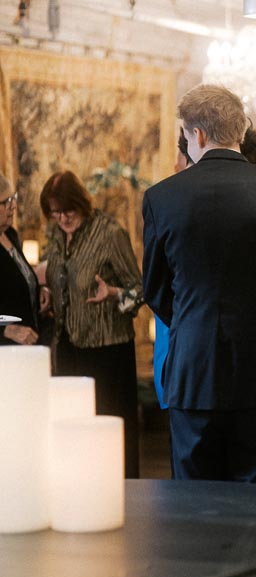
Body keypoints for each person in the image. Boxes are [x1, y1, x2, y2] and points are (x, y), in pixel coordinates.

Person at [142, 84, 256, 577]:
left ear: (192, 134)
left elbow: (155, 289)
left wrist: (197, 328)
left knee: (195, 524)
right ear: (240, 128)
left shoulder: (163, 197)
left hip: (193, 379)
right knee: (255, 524)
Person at [40, 169, 143, 475]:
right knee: (75, 435)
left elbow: (140, 291)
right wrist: (49, 292)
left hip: (107, 352)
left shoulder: (110, 234)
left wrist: (113, 293)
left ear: (81, 203)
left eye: (67, 211)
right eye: (55, 213)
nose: (62, 219)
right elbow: (60, 275)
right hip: (70, 347)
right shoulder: (57, 235)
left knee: (110, 439)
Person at [0, 174, 48, 346]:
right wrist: (6, 329)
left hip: (29, 345)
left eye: (13, 198)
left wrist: (36, 290)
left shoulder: (10, 234)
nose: (13, 206)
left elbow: (17, 282)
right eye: (5, 202)